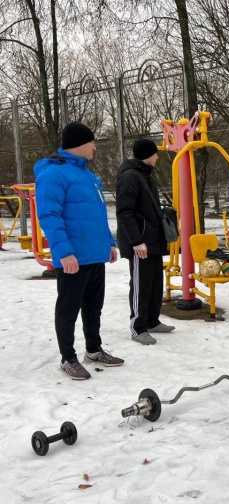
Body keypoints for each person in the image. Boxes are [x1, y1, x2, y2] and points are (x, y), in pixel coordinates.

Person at [34, 122, 124, 380]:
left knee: (94, 308)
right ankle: (68, 358)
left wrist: (108, 243)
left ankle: (93, 350)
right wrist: (64, 253)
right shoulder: (53, 174)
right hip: (73, 256)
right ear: (79, 144)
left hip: (94, 254)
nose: (95, 147)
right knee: (68, 310)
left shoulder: (89, 176)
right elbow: (49, 216)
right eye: (92, 142)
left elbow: (98, 215)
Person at [116, 139, 175, 346]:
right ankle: (138, 327)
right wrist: (136, 241)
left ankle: (151, 320)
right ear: (147, 155)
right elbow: (125, 212)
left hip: (153, 241)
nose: (157, 157)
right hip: (140, 242)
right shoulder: (130, 177)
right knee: (141, 285)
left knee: (154, 284)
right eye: (155, 153)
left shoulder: (145, 176)